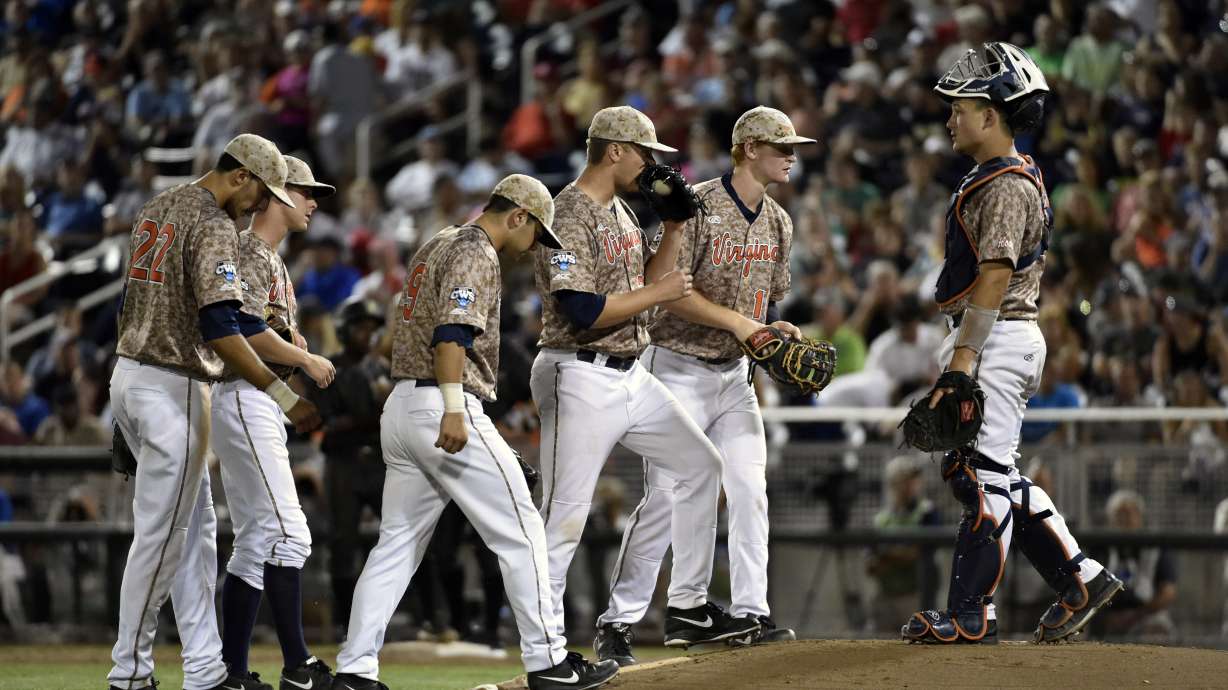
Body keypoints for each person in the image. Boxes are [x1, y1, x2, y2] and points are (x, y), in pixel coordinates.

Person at [333, 175, 618, 690]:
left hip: (403, 406)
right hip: (444, 403)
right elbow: (451, 335)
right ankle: (548, 662)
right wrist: (452, 409)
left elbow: (402, 332)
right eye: (536, 234)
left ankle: (354, 669)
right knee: (524, 531)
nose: (534, 247)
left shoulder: (436, 243)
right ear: (517, 217)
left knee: (396, 545)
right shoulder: (477, 251)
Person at [900, 43, 1123, 646]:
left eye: (961, 107)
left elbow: (995, 275)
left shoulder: (1003, 182)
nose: (951, 118)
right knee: (982, 470)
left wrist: (964, 361)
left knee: (982, 478)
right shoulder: (1003, 174)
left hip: (996, 336)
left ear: (993, 113)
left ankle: (972, 613)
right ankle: (1083, 577)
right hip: (999, 335)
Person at [531, 105, 759, 654]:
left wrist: (676, 228)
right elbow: (581, 307)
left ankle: (646, 615)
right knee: (563, 519)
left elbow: (658, 279)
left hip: (631, 375)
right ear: (615, 151)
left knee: (701, 464)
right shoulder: (568, 212)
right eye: (645, 154)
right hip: (576, 372)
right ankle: (544, 647)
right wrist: (661, 293)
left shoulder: (625, 214)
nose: (653, 166)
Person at [593, 106, 816, 665]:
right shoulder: (699, 206)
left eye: (793, 146)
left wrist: (771, 327)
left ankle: (746, 611)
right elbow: (667, 289)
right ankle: (619, 621)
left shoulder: (780, 222)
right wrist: (743, 323)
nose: (791, 155)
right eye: (780, 145)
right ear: (747, 148)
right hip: (676, 365)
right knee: (666, 497)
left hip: (733, 376)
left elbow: (762, 304)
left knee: (748, 488)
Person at [107, 133, 320, 690]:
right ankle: (129, 673)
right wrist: (282, 394)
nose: (259, 204)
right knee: (163, 537)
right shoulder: (214, 223)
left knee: (197, 532)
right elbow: (222, 325)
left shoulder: (159, 205)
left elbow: (131, 303)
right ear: (240, 175)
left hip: (134, 374)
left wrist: (121, 404)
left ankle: (206, 669)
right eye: (261, 190)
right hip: (173, 382)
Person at [209, 156, 339, 689]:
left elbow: (260, 325)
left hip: (253, 396)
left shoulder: (272, 259)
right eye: (306, 192)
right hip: (246, 395)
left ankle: (235, 673)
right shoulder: (249, 249)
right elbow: (240, 326)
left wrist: (292, 346)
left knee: (257, 540)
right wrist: (303, 360)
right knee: (290, 534)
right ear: (280, 195)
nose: (313, 202)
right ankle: (298, 666)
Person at [309, 298, 389, 634]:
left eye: (372, 329)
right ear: (345, 329)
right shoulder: (329, 369)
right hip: (343, 464)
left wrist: (361, 418)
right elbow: (324, 425)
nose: (366, 335)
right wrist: (368, 415)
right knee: (343, 543)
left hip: (381, 461)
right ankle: (344, 624)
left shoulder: (383, 368)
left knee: (401, 535)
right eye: (360, 328)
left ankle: (419, 618)